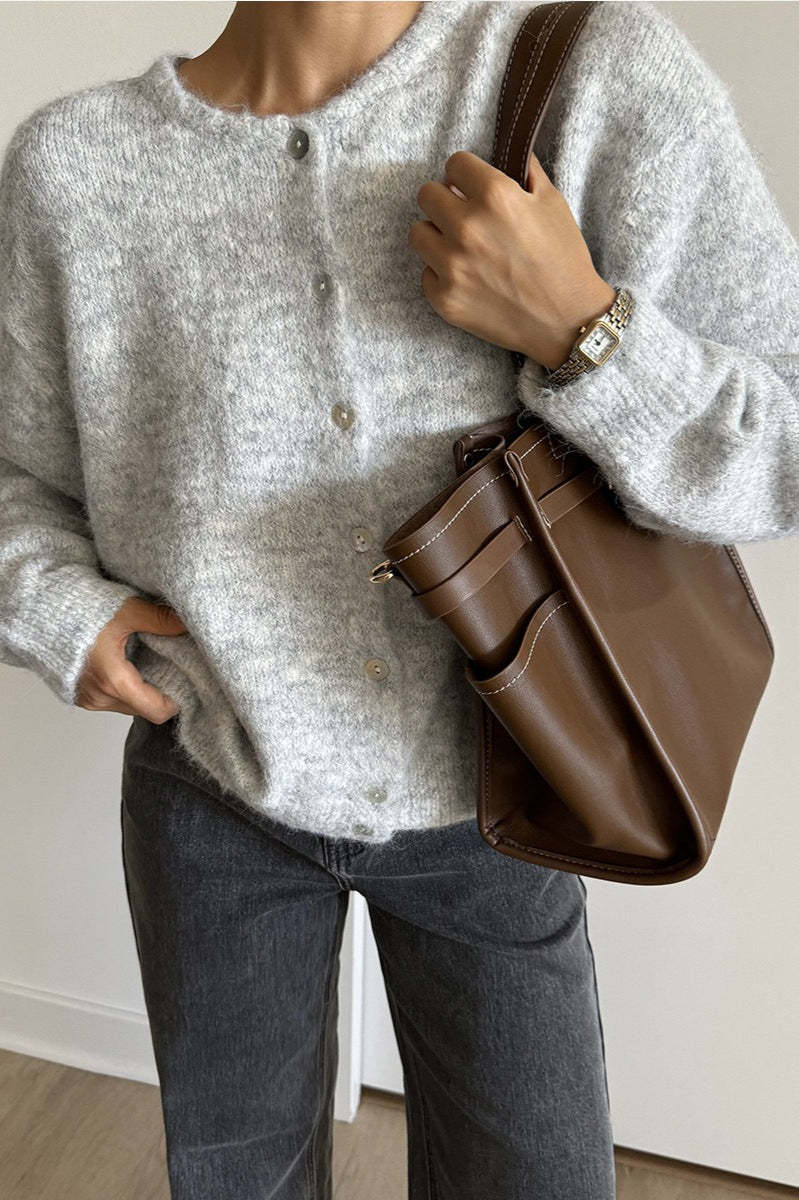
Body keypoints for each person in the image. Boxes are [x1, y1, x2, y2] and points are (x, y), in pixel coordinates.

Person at [1, 1, 797, 1196]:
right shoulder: (74, 165)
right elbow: (16, 477)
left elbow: (785, 441)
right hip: (209, 782)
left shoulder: (592, 75)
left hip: (505, 789)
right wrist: (57, 608)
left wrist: (587, 335)